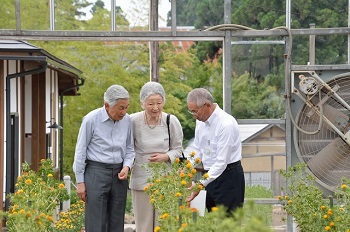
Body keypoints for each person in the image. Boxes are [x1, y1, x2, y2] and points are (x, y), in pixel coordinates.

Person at [73, 84, 135, 232]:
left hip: (119, 174)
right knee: (96, 223)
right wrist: (80, 182)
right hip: (96, 172)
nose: (124, 112)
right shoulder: (90, 120)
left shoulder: (127, 121)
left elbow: (130, 148)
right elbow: (80, 151)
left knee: (116, 222)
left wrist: (127, 166)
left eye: (126, 107)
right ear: (107, 105)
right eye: (121, 108)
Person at [129, 81, 184, 232]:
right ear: (142, 103)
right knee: (144, 225)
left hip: (165, 179)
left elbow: (178, 149)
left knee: (163, 223)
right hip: (141, 178)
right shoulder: (133, 121)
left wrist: (166, 156)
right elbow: (127, 148)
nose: (155, 108)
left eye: (159, 103)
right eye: (150, 103)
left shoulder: (170, 121)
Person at [186, 88, 245, 214]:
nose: (194, 116)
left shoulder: (226, 124)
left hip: (228, 176)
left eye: (195, 111)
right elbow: (197, 148)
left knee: (229, 222)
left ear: (207, 105)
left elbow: (221, 162)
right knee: (213, 219)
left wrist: (200, 185)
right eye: (191, 112)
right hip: (209, 176)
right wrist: (187, 166)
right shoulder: (200, 122)